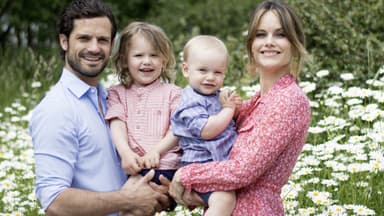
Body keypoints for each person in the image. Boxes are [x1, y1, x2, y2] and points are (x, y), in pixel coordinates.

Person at [169, 1, 311, 215]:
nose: (269, 42)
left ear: (294, 42)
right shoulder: (253, 102)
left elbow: (242, 171)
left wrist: (184, 175)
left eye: (280, 34)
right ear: (251, 44)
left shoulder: (290, 100)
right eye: (261, 34)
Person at [29, 1, 169, 215]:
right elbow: (54, 201)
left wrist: (161, 193)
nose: (94, 48)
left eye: (102, 40)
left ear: (112, 45)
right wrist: (127, 200)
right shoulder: (57, 109)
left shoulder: (113, 98)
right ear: (64, 41)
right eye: (84, 38)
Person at [171, 35, 241, 216]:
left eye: (218, 72)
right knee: (224, 199)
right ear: (186, 70)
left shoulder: (215, 95)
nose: (210, 77)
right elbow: (206, 131)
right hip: (200, 164)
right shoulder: (190, 101)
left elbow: (228, 123)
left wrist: (236, 108)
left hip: (217, 162)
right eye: (203, 70)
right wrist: (228, 110)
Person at [106, 22, 182, 189]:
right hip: (130, 165)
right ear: (125, 60)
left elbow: (177, 129)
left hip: (164, 166)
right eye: (139, 55)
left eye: (154, 55)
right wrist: (125, 152)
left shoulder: (173, 93)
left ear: (164, 60)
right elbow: (117, 123)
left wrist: (156, 151)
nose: (147, 61)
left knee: (129, 197)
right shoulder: (117, 93)